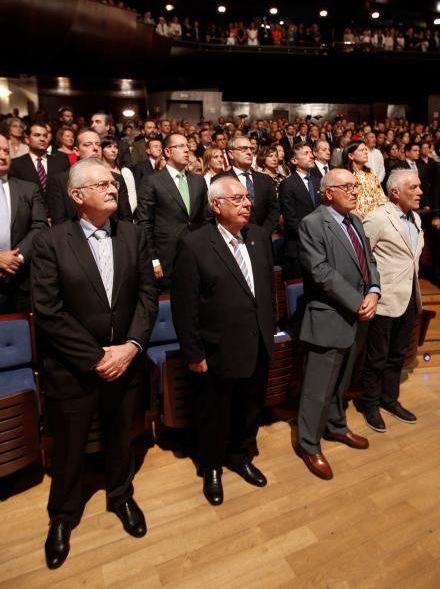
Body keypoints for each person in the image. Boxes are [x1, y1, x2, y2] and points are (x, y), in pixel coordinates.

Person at [31, 158, 158, 570]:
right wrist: (95, 357)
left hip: (126, 360)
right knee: (69, 447)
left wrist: (132, 346)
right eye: (102, 184)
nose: (112, 188)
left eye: (114, 183)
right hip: (73, 368)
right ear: (77, 196)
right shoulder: (52, 241)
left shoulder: (134, 235)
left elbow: (147, 298)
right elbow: (48, 312)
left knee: (123, 436)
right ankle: (63, 516)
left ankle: (120, 496)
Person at [171, 177, 275, 505]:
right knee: (214, 412)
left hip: (257, 342)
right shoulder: (195, 244)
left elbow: (264, 292)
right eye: (238, 199)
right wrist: (193, 352)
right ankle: (212, 466)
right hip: (216, 348)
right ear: (216, 205)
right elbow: (184, 306)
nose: (248, 204)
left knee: (250, 407)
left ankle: (241, 456)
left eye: (248, 198)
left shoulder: (258, 236)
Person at [296, 168, 380, 480]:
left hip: (359, 315)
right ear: (328, 192)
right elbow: (320, 272)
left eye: (356, 186)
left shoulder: (356, 221)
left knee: (342, 381)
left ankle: (336, 426)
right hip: (330, 316)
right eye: (347, 186)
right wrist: (356, 301)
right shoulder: (312, 224)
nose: (355, 191)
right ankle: (308, 443)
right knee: (317, 389)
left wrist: (373, 290)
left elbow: (368, 261)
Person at [359, 170, 424, 431]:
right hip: (384, 298)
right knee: (376, 357)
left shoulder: (416, 218)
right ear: (395, 192)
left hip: (409, 296)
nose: (420, 192)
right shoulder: (376, 218)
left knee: (398, 354)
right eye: (414, 187)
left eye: (420, 186)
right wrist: (371, 292)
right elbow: (364, 259)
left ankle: (390, 399)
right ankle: (370, 403)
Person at [136, 133, 208, 289]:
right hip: (167, 257)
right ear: (167, 152)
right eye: (180, 146)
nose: (186, 150)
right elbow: (145, 223)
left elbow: (206, 218)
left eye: (187, 146)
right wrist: (153, 259)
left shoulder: (198, 181)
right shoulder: (152, 181)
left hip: (197, 255)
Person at [0, 134, 47, 313]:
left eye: (6, 151)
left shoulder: (29, 189)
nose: (3, 155)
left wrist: (15, 260)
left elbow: (40, 226)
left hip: (20, 283)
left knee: (23, 337)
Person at [47, 130, 133, 225]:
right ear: (76, 151)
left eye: (98, 144)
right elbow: (59, 223)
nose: (95, 148)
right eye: (88, 145)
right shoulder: (60, 181)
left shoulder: (116, 178)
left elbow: (126, 218)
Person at [215, 136, 279, 236]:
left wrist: (264, 232)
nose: (249, 152)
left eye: (251, 149)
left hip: (263, 238)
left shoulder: (265, 179)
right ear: (231, 154)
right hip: (233, 238)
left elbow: (274, 209)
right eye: (243, 149)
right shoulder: (220, 180)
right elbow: (218, 213)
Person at [279, 143, 321, 278]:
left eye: (311, 153)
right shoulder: (287, 184)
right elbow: (291, 220)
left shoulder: (318, 181)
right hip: (299, 246)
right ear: (294, 160)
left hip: (321, 245)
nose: (312, 156)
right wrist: (312, 237)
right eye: (306, 153)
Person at [9, 122, 70, 208]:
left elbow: (67, 191)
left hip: (58, 217)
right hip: (30, 217)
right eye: (37, 135)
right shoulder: (16, 164)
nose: (42, 139)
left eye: (45, 136)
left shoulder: (61, 160)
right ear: (27, 139)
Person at [342, 140, 386, 219]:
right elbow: (344, 201)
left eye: (366, 150)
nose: (366, 152)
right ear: (351, 155)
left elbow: (380, 196)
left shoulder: (371, 172)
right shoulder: (345, 175)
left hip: (377, 217)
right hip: (356, 218)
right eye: (361, 150)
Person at [101, 135, 137, 213]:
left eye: (116, 147)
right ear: (101, 149)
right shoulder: (98, 171)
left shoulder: (125, 171)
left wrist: (127, 214)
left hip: (124, 214)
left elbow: (132, 197)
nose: (113, 150)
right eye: (109, 146)